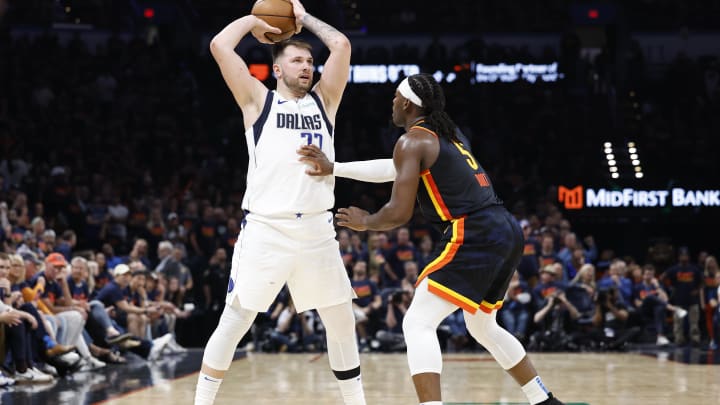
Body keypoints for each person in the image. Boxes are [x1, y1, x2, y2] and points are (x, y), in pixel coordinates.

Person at [300, 73, 564, 404]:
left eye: (396, 97)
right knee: (482, 326)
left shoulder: (412, 141)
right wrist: (334, 167)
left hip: (474, 230)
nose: (392, 102)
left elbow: (398, 213)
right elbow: (394, 168)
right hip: (505, 227)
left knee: (417, 323)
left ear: (408, 103)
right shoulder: (447, 136)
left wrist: (366, 221)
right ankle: (543, 399)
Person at [194, 1, 366, 404]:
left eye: (309, 60)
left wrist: (303, 20)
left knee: (341, 321)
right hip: (267, 229)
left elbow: (340, 45)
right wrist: (255, 21)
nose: (307, 66)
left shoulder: (326, 102)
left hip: (317, 231)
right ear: (277, 68)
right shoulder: (258, 101)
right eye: (297, 60)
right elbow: (220, 45)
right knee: (236, 320)